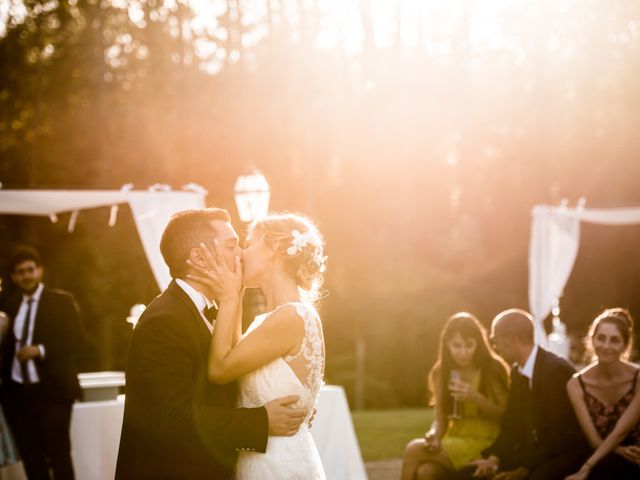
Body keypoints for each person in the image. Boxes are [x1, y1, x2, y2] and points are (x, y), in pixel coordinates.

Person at [115, 208, 307, 479]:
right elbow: (171, 420)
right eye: (231, 246)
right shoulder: (164, 320)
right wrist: (260, 422)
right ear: (199, 257)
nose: (241, 254)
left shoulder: (211, 310)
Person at [190, 212, 328, 479]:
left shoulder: (289, 317)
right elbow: (232, 352)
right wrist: (236, 294)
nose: (241, 254)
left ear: (273, 250)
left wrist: (229, 296)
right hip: (266, 455)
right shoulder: (278, 318)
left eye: (250, 244)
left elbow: (219, 369)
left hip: (276, 462)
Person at [460, 308, 589, 480]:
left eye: (495, 340)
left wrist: (523, 471)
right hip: (536, 455)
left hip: (565, 455)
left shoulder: (554, 370)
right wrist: (493, 460)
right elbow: (511, 425)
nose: (495, 347)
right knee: (467, 474)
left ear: (511, 339)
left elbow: (560, 435)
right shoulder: (517, 371)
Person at [0, 246, 84, 480]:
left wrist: (40, 349)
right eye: (20, 272)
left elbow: (77, 341)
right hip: (17, 395)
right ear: (14, 276)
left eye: (30, 270)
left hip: (53, 394)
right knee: (31, 458)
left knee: (59, 456)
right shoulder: (7, 303)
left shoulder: (61, 301)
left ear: (39, 271)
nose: (26, 275)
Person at [401, 313, 509, 480]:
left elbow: (507, 417)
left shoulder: (492, 369)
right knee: (426, 472)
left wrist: (476, 398)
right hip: (454, 439)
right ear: (447, 344)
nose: (463, 352)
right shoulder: (440, 373)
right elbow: (440, 419)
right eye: (456, 346)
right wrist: (434, 435)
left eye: (469, 345)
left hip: (487, 441)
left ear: (478, 343)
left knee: (412, 450)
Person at [565, 308, 640, 480]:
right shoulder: (576, 384)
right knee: (605, 469)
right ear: (591, 340)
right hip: (600, 456)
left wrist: (586, 468)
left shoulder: (638, 378)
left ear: (625, 345)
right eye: (601, 338)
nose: (606, 346)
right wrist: (587, 468)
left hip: (636, 453)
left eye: (614, 340)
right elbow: (594, 441)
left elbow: (620, 432)